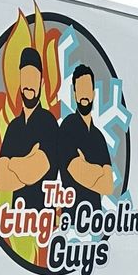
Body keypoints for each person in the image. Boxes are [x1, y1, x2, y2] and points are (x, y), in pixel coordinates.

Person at [0, 48, 60, 209]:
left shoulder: (48, 123)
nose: (29, 84)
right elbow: (1, 180)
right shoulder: (14, 127)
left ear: (42, 83)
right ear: (19, 80)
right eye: (25, 77)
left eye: (34, 77)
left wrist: (12, 163)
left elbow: (35, 170)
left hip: (44, 224)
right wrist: (26, 161)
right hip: (16, 223)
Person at [56, 64, 116, 211]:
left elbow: (108, 186)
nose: (84, 94)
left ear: (93, 93)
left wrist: (88, 168)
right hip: (70, 220)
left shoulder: (98, 137)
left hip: (94, 222)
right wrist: (99, 171)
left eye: (87, 88)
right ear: (74, 93)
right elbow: (77, 171)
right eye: (80, 89)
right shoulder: (68, 126)